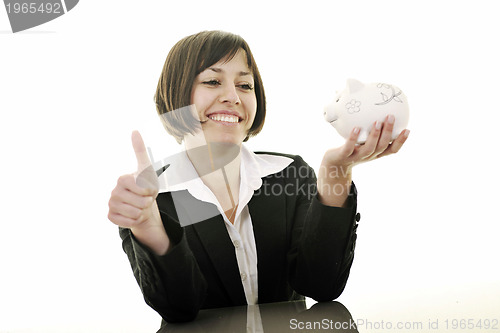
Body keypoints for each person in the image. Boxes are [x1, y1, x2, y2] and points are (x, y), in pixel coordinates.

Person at [107, 30, 409, 323]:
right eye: (213, 81)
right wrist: (149, 225)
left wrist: (337, 173)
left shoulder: (290, 173)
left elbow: (322, 286)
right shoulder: (148, 197)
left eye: (245, 85)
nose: (232, 96)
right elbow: (180, 309)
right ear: (176, 94)